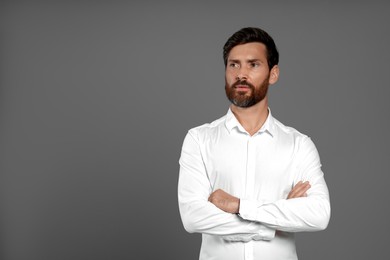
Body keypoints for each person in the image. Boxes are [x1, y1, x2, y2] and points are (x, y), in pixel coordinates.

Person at [177, 27, 330, 260]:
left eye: (253, 64)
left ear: (273, 73)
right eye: (233, 64)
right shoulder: (199, 139)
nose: (241, 74)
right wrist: (273, 221)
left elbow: (319, 214)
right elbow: (192, 216)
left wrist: (239, 205)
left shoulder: (298, 145)